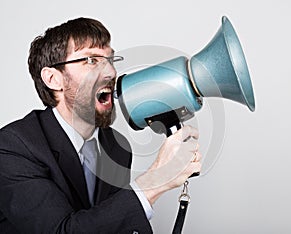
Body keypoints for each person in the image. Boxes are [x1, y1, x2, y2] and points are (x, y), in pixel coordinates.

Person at [0, 17, 201, 233]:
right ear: (53, 79)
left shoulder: (116, 146)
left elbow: (112, 224)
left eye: (110, 60)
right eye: (91, 61)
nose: (111, 73)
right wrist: (154, 182)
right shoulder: (14, 147)